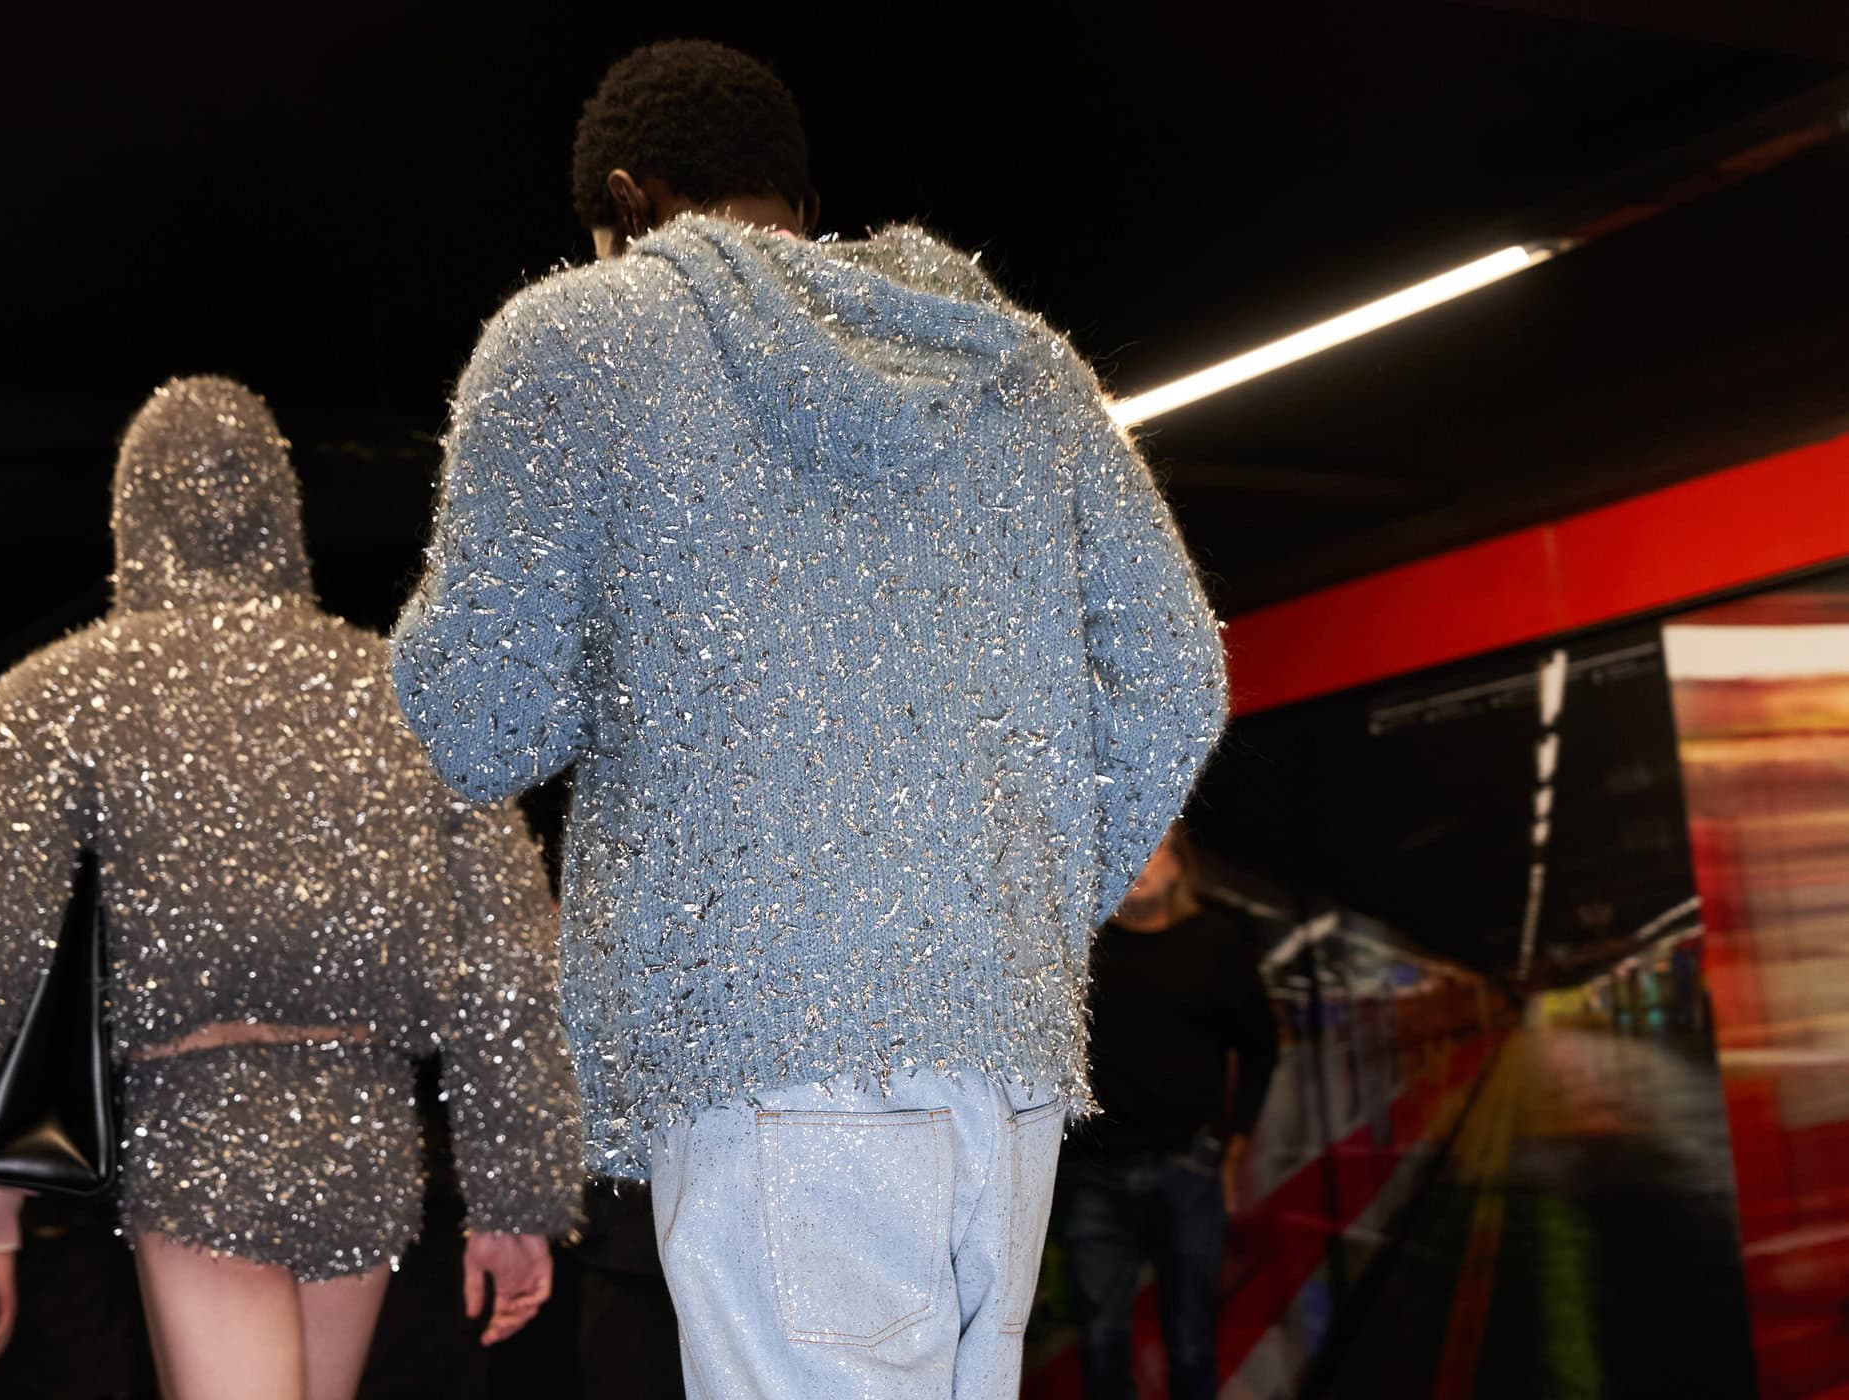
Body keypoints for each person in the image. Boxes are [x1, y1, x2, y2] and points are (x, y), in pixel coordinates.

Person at [391, 40, 1226, 1400]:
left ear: (625, 201)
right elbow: (1180, 677)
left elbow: (479, 725)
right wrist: (1005, 910)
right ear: (801, 199)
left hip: (765, 1049)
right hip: (1001, 1064)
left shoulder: (576, 338)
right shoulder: (1023, 366)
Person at [0, 377, 584, 1400]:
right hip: (364, 1124)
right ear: (284, 510)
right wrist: (518, 1193)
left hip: (196, 1118)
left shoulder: (66, 692)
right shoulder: (398, 691)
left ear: (131, 513)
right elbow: (510, 952)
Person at [1061, 823, 1280, 1400]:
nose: (1139, 861)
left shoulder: (1218, 944)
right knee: (1100, 1340)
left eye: (1154, 848)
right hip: (1091, 1173)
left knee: (1191, 1337)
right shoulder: (1077, 951)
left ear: (1180, 867)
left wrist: (1236, 1137)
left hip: (1187, 1167)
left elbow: (1260, 1048)